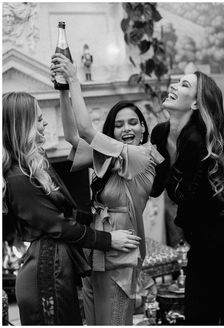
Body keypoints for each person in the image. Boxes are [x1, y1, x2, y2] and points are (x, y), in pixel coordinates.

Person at [2, 91, 141, 325]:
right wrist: (108, 240)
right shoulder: (18, 177)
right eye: (37, 118)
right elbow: (60, 226)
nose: (44, 121)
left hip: (57, 269)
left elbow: (67, 213)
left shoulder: (34, 166)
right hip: (45, 277)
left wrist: (97, 217)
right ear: (22, 124)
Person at [50, 52, 164, 325]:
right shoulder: (110, 156)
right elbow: (73, 137)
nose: (127, 128)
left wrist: (75, 78)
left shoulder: (143, 156)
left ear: (143, 128)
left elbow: (87, 130)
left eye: (133, 122)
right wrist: (63, 90)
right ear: (111, 134)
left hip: (121, 259)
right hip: (96, 253)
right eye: (119, 125)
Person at [151, 71, 224, 325]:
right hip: (199, 246)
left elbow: (182, 195)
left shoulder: (198, 141)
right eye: (176, 81)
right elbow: (155, 189)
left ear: (196, 103)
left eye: (184, 84)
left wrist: (160, 162)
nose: (174, 85)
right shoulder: (159, 133)